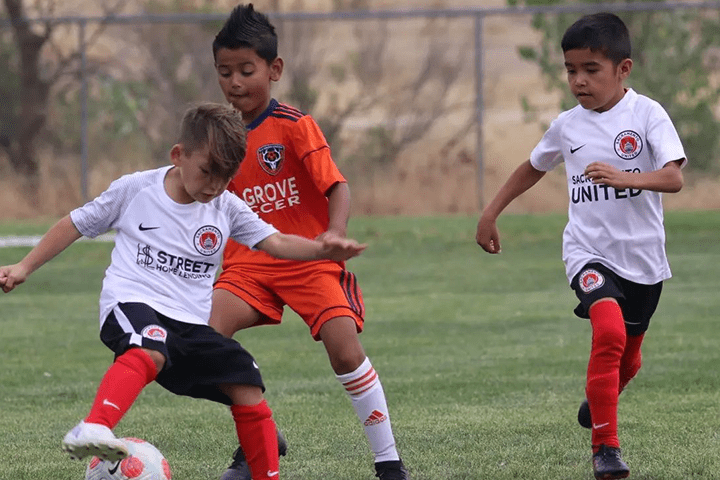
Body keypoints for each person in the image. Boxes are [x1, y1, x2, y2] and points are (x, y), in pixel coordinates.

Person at [0, 103, 366, 480]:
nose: (214, 185)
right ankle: (94, 426)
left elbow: (275, 242)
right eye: (208, 171)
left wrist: (322, 248)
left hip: (190, 327)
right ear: (178, 155)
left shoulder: (226, 208)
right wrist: (24, 267)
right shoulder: (136, 190)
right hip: (132, 303)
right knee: (150, 343)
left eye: (226, 177)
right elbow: (76, 223)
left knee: (246, 378)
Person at [475, 12, 686, 480]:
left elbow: (673, 177)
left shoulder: (647, 114)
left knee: (628, 357)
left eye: (591, 69)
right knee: (607, 333)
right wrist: (491, 212)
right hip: (588, 252)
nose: (579, 80)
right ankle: (606, 449)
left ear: (623, 69)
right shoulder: (568, 126)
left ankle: (600, 397)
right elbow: (533, 165)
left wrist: (625, 176)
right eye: (571, 70)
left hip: (645, 260)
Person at [208, 4, 409, 480]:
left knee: (344, 350)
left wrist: (333, 234)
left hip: (309, 261)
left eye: (246, 70)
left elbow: (337, 186)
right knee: (205, 339)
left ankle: (389, 462)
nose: (235, 82)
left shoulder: (295, 125)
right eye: (224, 72)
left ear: (274, 70)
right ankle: (259, 436)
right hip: (248, 264)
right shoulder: (217, 135)